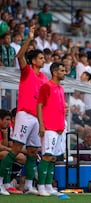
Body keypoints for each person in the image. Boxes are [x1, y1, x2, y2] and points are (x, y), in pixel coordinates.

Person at [0, 25, 47, 196]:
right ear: (33, 60)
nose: (43, 60)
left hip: (36, 117)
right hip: (25, 115)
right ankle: (1, 183)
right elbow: (20, 55)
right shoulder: (27, 71)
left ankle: (27, 185)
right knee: (16, 149)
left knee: (33, 152)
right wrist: (30, 37)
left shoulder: (44, 77)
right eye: (41, 58)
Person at [36, 62, 67, 196]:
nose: (64, 72)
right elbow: (39, 105)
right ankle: (40, 186)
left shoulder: (60, 88)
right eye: (62, 70)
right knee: (47, 156)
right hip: (49, 127)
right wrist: (41, 125)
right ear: (54, 72)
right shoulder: (46, 86)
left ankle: (48, 185)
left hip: (59, 127)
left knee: (53, 157)